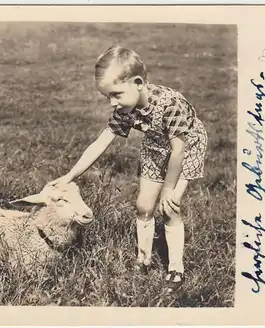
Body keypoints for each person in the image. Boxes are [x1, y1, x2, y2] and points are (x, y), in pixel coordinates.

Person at [46, 46, 208, 292]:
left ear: (138, 83)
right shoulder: (125, 108)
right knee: (143, 207)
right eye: (107, 97)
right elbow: (100, 142)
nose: (113, 102)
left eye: (117, 94)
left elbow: (178, 150)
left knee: (169, 208)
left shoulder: (172, 104)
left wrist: (168, 189)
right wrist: (70, 176)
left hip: (185, 148)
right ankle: (143, 259)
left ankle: (176, 268)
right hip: (156, 147)